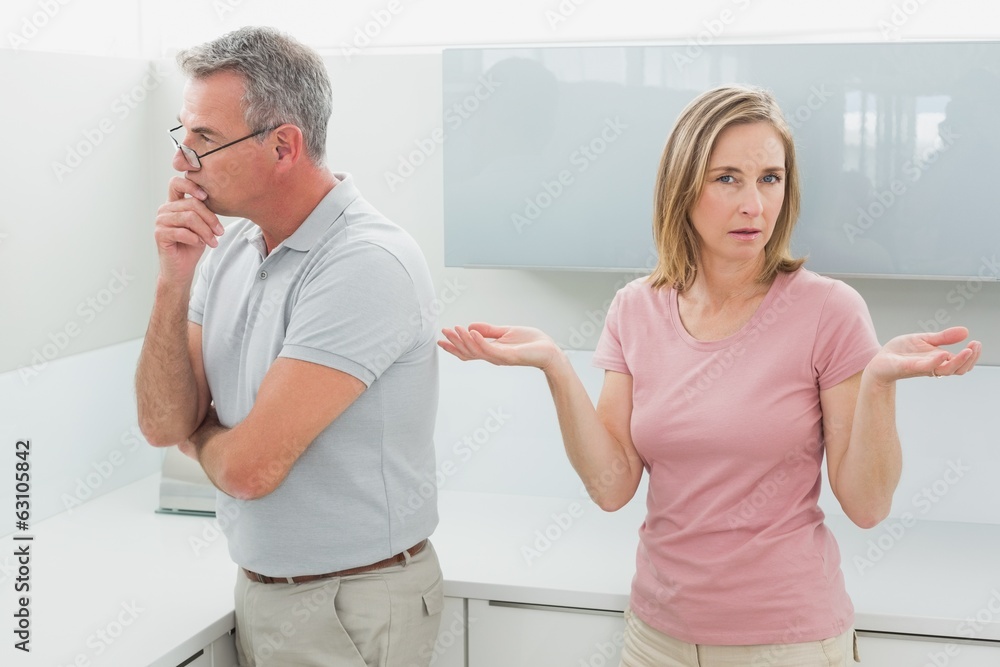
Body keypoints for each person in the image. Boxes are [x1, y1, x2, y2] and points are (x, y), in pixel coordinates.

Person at [439, 85, 981, 666]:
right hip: (656, 640)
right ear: (682, 186)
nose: (754, 204)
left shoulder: (829, 310)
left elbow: (868, 506)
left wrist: (879, 383)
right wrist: (554, 366)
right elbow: (612, 488)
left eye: (770, 178)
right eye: (727, 179)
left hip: (788, 643)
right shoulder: (635, 309)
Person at [135, 26, 443, 667]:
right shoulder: (229, 251)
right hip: (263, 589)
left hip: (352, 603)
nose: (182, 161)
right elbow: (163, 425)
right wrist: (172, 281)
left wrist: (202, 434)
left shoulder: (365, 262)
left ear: (283, 146)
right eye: (183, 133)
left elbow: (249, 471)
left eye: (205, 138)